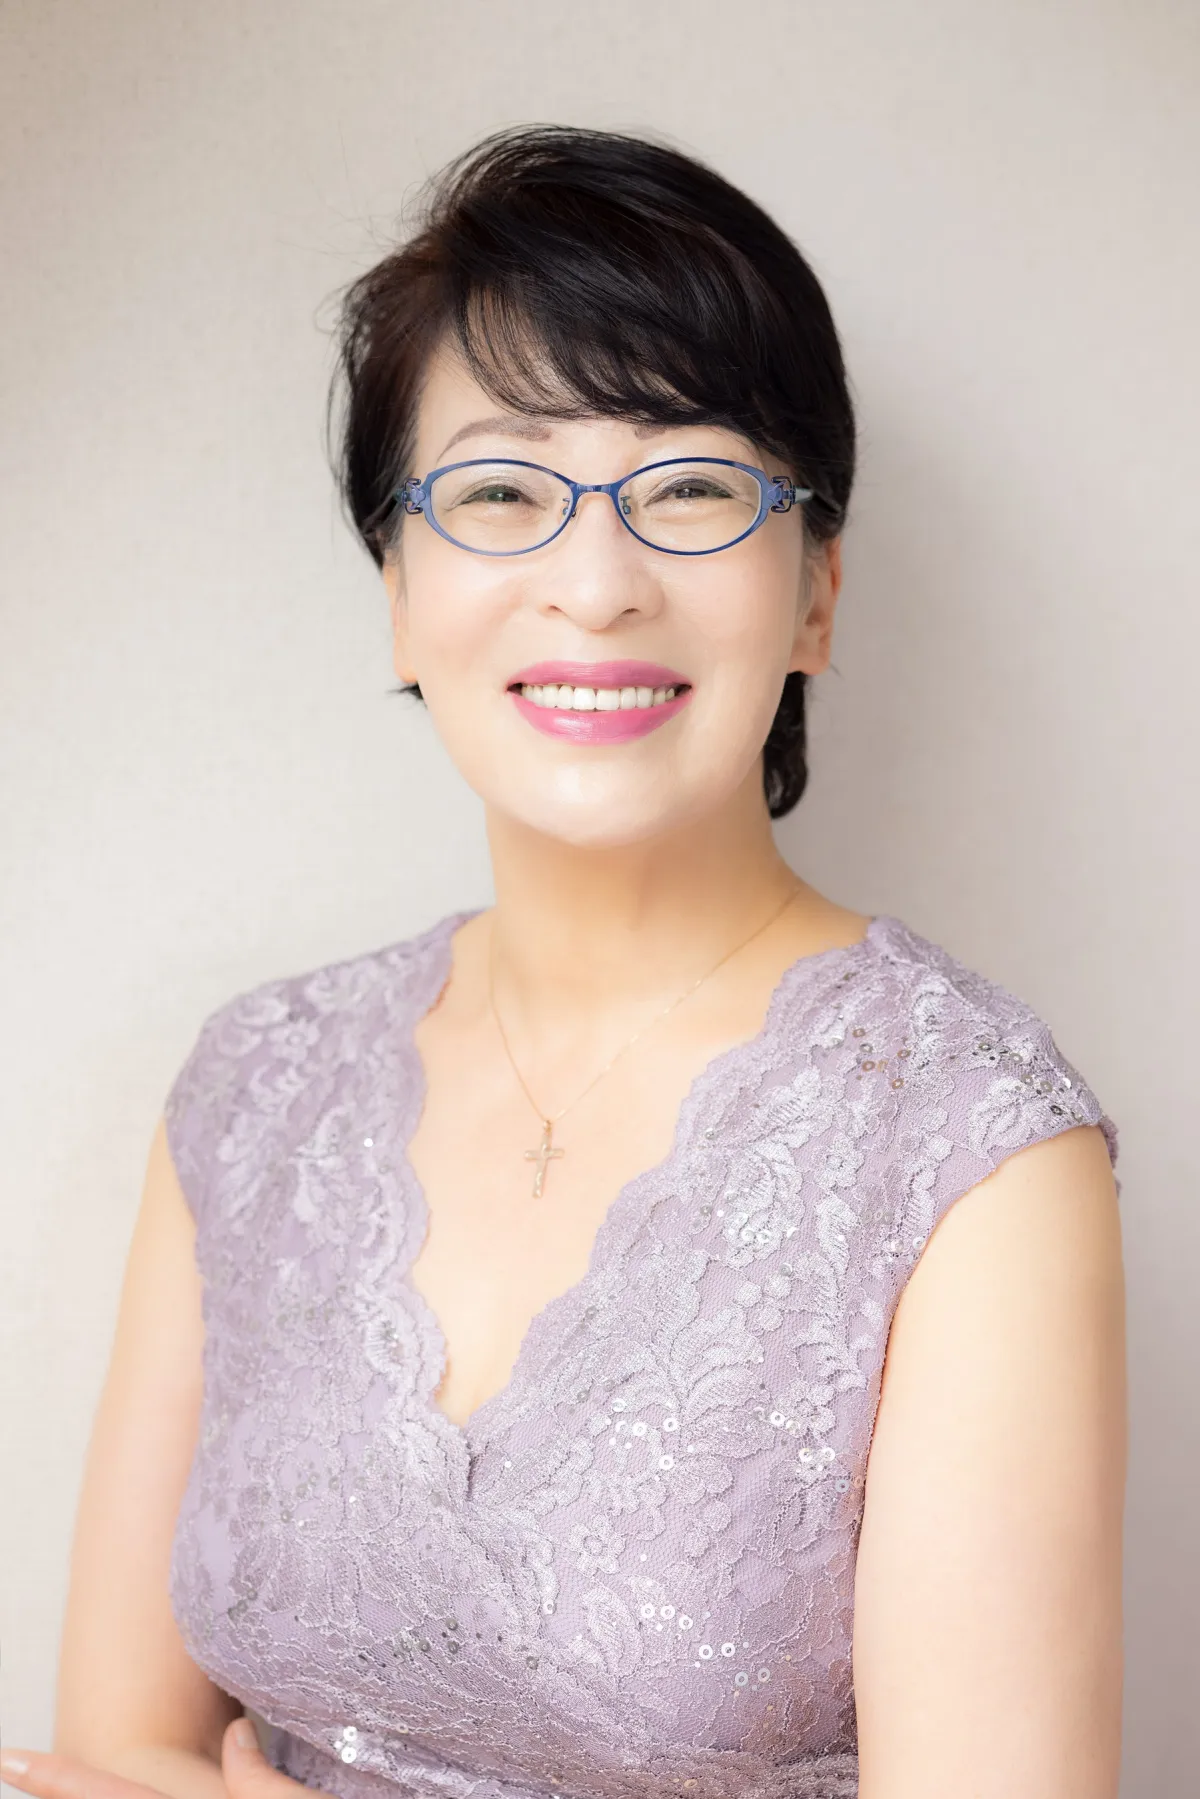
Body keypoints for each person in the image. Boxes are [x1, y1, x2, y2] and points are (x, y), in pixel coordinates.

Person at [2, 126, 1125, 1799]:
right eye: (501, 493)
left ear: (817, 594)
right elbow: (105, 1751)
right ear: (399, 588)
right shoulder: (255, 1089)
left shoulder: (970, 1142)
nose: (594, 586)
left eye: (691, 489)